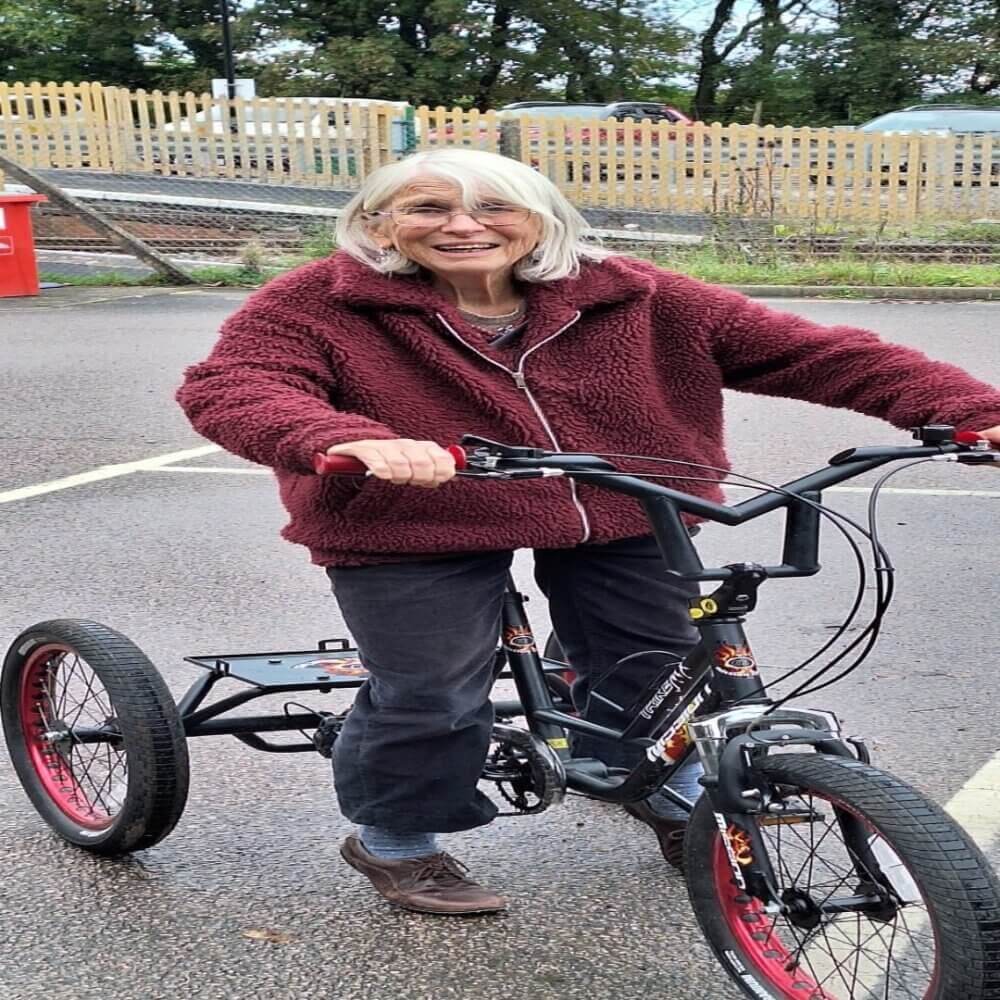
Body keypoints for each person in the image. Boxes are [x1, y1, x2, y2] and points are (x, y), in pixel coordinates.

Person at [176, 147, 1000, 917]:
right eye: (429, 207)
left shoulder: (634, 294)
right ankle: (397, 838)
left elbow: (822, 354)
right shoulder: (320, 302)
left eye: (494, 205)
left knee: (661, 659)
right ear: (379, 224)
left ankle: (653, 779)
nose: (464, 225)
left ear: (540, 217)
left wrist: (973, 415)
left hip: (620, 502)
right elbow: (237, 386)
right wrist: (343, 438)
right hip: (414, 513)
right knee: (432, 686)